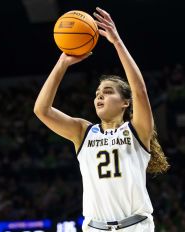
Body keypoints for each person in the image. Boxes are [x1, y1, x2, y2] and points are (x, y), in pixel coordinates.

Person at [34, 7, 169, 231]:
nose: (99, 96)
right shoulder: (83, 132)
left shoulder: (136, 131)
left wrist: (117, 42)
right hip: (94, 228)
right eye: (97, 93)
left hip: (135, 227)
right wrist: (62, 64)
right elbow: (42, 110)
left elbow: (139, 90)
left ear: (125, 102)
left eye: (107, 91)